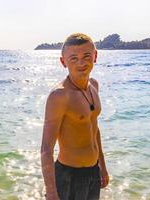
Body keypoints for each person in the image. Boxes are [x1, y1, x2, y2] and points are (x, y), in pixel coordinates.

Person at [40, 33, 109, 200]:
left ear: (95, 56)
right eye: (73, 58)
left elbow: (94, 129)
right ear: (63, 61)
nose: (81, 62)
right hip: (68, 176)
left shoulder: (94, 85)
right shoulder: (60, 95)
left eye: (86, 56)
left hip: (93, 171)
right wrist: (51, 192)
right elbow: (46, 148)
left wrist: (103, 166)